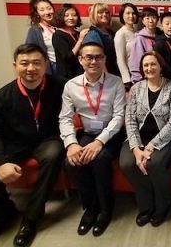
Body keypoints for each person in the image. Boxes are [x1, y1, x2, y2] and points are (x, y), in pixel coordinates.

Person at [0, 44, 64, 247]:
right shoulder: (1, 97)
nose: (31, 68)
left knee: (54, 153)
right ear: (15, 66)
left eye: (37, 63)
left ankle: (31, 218)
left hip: (47, 139)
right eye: (25, 63)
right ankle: (1, 216)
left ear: (45, 64)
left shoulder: (59, 87)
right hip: (13, 144)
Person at [59, 31, 125, 237]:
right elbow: (65, 118)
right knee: (73, 161)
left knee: (101, 159)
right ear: (80, 59)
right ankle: (89, 209)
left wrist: (100, 142)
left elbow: (119, 117)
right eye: (89, 57)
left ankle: (105, 210)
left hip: (111, 134)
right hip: (86, 132)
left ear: (104, 59)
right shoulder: (71, 86)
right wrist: (71, 144)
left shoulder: (115, 82)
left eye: (98, 57)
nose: (94, 61)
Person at [120, 51, 171, 227]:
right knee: (127, 163)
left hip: (166, 138)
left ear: (161, 66)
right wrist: (136, 148)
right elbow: (130, 119)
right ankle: (145, 205)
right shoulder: (135, 89)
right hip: (138, 137)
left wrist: (150, 147)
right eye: (146, 65)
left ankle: (163, 203)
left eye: (153, 64)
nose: (149, 68)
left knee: (154, 163)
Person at [52, 4, 85, 80]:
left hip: (80, 75)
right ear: (61, 17)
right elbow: (68, 58)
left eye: (74, 15)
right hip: (66, 77)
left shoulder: (77, 33)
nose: (71, 18)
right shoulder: (58, 35)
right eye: (66, 15)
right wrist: (80, 40)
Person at [86, 3, 120, 76]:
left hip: (113, 72)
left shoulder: (111, 32)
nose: (104, 14)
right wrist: (106, 78)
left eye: (106, 12)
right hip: (102, 75)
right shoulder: (93, 34)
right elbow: (96, 60)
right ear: (94, 15)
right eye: (100, 12)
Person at [25, 0, 57, 74]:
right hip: (50, 68)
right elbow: (30, 52)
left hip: (61, 66)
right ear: (37, 13)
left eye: (49, 8)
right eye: (42, 10)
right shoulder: (34, 30)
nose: (47, 12)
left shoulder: (56, 27)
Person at [129, 7, 161, 83]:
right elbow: (136, 63)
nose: (151, 21)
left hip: (160, 78)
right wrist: (139, 81)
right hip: (145, 80)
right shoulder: (139, 39)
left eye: (153, 17)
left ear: (157, 20)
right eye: (147, 18)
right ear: (143, 21)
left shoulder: (162, 36)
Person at [114, 3, 139, 91]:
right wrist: (127, 81)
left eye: (133, 13)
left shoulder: (137, 32)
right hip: (130, 78)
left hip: (139, 74)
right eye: (127, 13)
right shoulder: (120, 33)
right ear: (122, 16)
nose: (131, 16)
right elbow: (120, 59)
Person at [154, 12, 171, 79]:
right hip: (165, 78)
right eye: (167, 24)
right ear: (162, 26)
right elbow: (159, 62)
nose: (170, 26)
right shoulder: (158, 43)